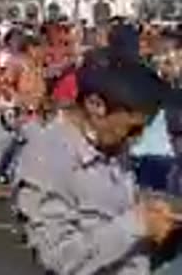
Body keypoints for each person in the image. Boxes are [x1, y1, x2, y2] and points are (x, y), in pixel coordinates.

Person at [14, 49, 179, 275]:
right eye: (132, 129)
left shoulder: (109, 143)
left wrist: (155, 211)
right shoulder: (46, 157)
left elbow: (111, 208)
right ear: (96, 105)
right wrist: (137, 225)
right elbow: (58, 258)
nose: (136, 139)